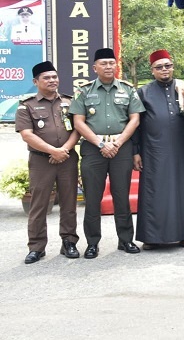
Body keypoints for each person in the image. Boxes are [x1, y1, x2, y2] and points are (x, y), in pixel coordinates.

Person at [70, 48, 145, 258]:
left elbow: (135, 119)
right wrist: (101, 144)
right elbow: (78, 122)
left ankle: (126, 240)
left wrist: (118, 142)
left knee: (121, 196)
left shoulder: (128, 90)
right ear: (95, 68)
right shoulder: (83, 91)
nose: (109, 67)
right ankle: (92, 243)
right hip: (93, 149)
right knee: (93, 198)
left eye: (112, 63)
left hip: (121, 148)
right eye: (104, 63)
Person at [15, 61, 80, 264]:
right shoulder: (27, 105)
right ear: (36, 81)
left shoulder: (70, 102)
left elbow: (78, 128)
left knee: (69, 203)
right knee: (39, 205)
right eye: (47, 78)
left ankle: (69, 242)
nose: (52, 81)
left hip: (67, 159)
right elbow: (27, 135)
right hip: (41, 161)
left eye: (54, 77)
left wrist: (64, 150)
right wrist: (53, 151)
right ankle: (36, 247)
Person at [132, 50, 184, 249]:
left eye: (167, 66)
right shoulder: (143, 92)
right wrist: (136, 151)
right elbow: (135, 124)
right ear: (152, 71)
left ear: (173, 67)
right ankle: (151, 237)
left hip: (182, 149)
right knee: (153, 192)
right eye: (159, 67)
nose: (164, 70)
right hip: (153, 150)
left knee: (183, 190)